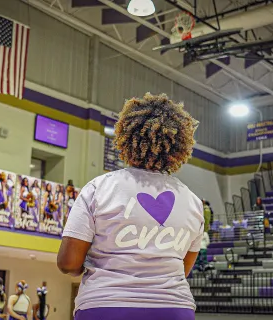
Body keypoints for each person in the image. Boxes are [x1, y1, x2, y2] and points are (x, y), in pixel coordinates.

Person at [57, 93, 203, 320]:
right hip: (174, 308)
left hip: (105, 304)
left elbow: (68, 263)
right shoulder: (193, 202)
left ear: (126, 137)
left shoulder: (99, 187)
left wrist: (85, 269)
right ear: (179, 146)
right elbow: (182, 270)